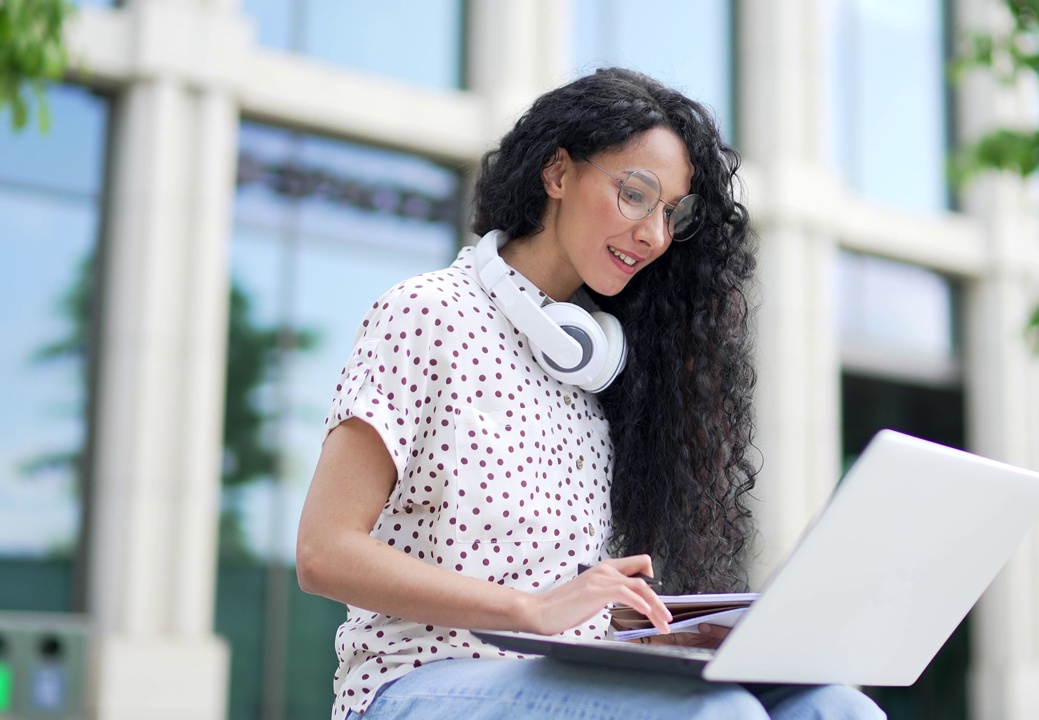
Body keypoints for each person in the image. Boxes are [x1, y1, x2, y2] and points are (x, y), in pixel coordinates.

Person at [296, 67, 887, 720]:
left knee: (835, 708)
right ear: (556, 174)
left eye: (670, 213)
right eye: (636, 194)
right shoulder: (428, 313)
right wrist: (530, 610)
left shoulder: (599, 368)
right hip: (418, 683)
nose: (654, 235)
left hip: (566, 683)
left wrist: (677, 630)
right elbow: (325, 553)